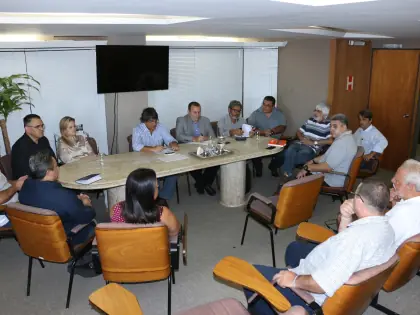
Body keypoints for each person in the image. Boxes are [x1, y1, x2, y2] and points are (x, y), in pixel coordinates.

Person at [245, 181, 395, 314]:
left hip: (312, 296)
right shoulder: (387, 228)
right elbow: (343, 242)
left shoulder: (354, 241)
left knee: (249, 276)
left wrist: (294, 280)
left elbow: (321, 284)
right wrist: (346, 217)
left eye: (355, 195)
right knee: (294, 249)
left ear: (360, 202)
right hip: (334, 267)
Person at [285, 159, 420, 269]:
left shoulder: (402, 215)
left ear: (411, 187)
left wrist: (347, 217)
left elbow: (367, 237)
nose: (392, 181)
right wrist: (396, 202)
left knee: (294, 249)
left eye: (397, 181)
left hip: (363, 260)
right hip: (380, 254)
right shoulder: (411, 206)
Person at [18, 150, 96, 246]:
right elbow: (85, 217)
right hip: (62, 240)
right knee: (93, 224)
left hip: (35, 238)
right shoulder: (64, 196)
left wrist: (73, 200)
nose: (58, 168)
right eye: (56, 166)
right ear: (48, 172)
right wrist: (86, 203)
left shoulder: (25, 186)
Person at [111, 168, 180, 237]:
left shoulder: (115, 209)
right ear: (149, 193)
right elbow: (174, 232)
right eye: (156, 186)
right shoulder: (163, 214)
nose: (158, 187)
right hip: (154, 246)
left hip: (126, 246)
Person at [271, 103, 332, 178]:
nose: (315, 112)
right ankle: (287, 173)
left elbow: (331, 140)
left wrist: (313, 143)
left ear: (325, 114)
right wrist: (302, 139)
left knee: (288, 155)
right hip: (300, 143)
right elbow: (298, 131)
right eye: (315, 110)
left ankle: (284, 172)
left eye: (318, 111)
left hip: (311, 148)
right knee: (290, 150)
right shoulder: (310, 120)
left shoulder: (328, 125)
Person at [132, 107, 179, 205]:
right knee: (150, 175)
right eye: (151, 121)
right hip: (143, 160)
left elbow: (169, 139)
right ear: (145, 121)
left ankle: (162, 197)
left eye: (156, 121)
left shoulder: (160, 127)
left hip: (159, 158)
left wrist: (173, 143)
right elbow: (136, 146)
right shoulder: (137, 129)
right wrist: (153, 149)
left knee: (173, 172)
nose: (154, 124)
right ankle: (151, 197)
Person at [295, 114, 357, 188]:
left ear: (344, 127)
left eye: (335, 126)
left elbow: (327, 167)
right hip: (334, 174)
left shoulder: (342, 143)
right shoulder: (347, 137)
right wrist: (313, 161)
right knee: (302, 171)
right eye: (330, 126)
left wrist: (307, 168)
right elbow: (328, 155)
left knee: (296, 179)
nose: (331, 129)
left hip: (331, 179)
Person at [175, 101, 218, 196]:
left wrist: (205, 138)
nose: (197, 115)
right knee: (193, 163)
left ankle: (203, 183)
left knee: (216, 161)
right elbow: (178, 136)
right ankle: (202, 184)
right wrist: (194, 138)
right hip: (188, 149)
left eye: (199, 112)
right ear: (189, 111)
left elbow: (213, 136)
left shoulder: (205, 120)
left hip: (203, 147)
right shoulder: (181, 120)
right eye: (195, 112)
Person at [247, 96, 287, 177]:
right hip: (259, 140)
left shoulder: (279, 113)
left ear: (273, 106)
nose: (265, 107)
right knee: (254, 150)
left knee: (284, 154)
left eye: (268, 105)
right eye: (264, 104)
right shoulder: (255, 113)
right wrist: (263, 132)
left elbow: (283, 127)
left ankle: (273, 167)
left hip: (275, 140)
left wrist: (272, 131)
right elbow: (250, 128)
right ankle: (258, 167)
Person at [11, 114, 56, 180]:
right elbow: (23, 174)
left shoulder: (43, 140)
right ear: (27, 129)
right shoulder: (19, 147)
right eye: (37, 126)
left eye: (42, 126)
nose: (41, 129)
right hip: (31, 182)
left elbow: (53, 159)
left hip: (48, 177)